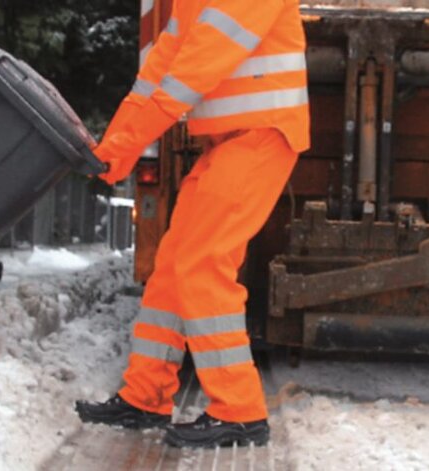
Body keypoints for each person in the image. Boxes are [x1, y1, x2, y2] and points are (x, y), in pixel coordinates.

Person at [75, 0, 310, 448]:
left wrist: (124, 145)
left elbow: (187, 78)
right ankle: (146, 395)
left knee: (202, 265)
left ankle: (240, 412)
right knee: (173, 264)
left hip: (261, 137)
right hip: (227, 144)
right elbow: (156, 74)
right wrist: (113, 152)